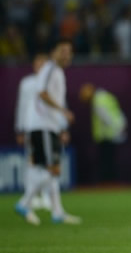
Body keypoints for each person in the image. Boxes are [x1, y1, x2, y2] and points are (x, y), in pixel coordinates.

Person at [15, 39, 81, 225]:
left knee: (52, 170)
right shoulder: (50, 68)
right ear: (54, 53)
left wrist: (60, 124)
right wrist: (63, 111)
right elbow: (42, 94)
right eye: (62, 51)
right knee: (52, 170)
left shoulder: (57, 71)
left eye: (69, 51)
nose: (66, 54)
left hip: (50, 125)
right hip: (42, 125)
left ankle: (57, 212)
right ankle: (25, 202)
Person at [14, 53, 52, 211]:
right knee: (32, 160)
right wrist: (20, 128)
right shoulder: (27, 83)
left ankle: (45, 195)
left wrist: (62, 127)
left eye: (44, 63)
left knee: (49, 161)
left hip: (49, 126)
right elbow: (21, 105)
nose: (41, 66)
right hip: (31, 126)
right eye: (38, 62)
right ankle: (31, 195)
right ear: (34, 65)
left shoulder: (51, 82)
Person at [79, 83, 127, 183]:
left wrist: (114, 128)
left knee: (106, 162)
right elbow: (117, 112)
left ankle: (107, 183)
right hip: (114, 133)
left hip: (106, 135)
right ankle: (111, 182)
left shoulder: (98, 101)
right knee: (111, 160)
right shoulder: (106, 96)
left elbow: (105, 117)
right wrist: (120, 127)